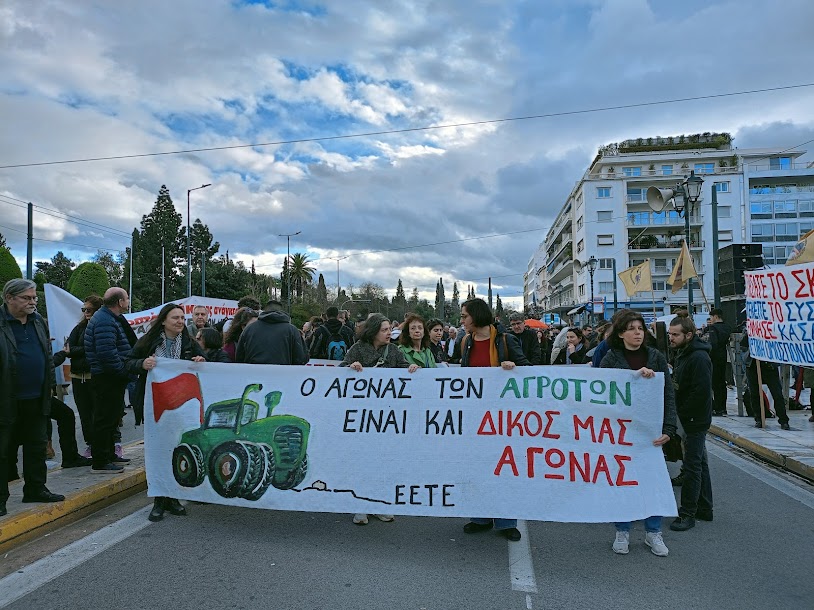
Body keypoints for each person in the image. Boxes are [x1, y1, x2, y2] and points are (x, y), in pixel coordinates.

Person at [600, 310, 676, 557]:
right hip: (620, 435)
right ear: (621, 333)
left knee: (651, 482)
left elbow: (667, 396)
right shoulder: (611, 359)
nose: (637, 333)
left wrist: (669, 429)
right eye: (632, 328)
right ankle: (622, 530)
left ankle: (653, 532)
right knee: (623, 483)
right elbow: (601, 397)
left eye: (641, 328)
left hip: (649, 435)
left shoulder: (656, 357)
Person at [125, 303, 206, 522]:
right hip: (156, 408)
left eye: (181, 317)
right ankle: (159, 500)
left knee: (177, 450)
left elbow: (205, 362)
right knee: (158, 452)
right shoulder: (149, 341)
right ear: (163, 321)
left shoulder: (188, 342)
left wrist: (200, 360)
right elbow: (127, 363)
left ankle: (172, 498)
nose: (180, 321)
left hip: (180, 408)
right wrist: (143, 363)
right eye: (175, 318)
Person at [458, 298, 529, 542]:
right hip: (476, 415)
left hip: (503, 417)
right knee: (478, 466)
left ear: (476, 316)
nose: (462, 321)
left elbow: (528, 370)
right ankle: (481, 517)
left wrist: (513, 368)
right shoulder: (465, 341)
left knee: (505, 468)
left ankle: (507, 521)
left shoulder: (505, 340)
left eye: (464, 316)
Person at [340, 314, 418, 525]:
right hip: (362, 417)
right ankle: (360, 506)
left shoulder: (393, 351)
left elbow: (402, 368)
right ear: (373, 331)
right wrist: (351, 367)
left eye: (389, 330)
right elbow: (340, 371)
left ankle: (379, 504)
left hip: (386, 416)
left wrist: (410, 369)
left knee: (383, 460)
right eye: (384, 330)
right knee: (362, 460)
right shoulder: (357, 348)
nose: (388, 334)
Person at [0, 279, 65, 515]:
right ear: (9, 297)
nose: (33, 302)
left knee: (36, 445)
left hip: (36, 397)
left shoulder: (38, 321)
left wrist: (48, 385)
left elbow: (46, 355)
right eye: (27, 298)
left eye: (34, 298)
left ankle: (35, 488)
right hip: (6, 399)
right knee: (3, 450)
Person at [668, 316, 714, 532]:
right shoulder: (683, 353)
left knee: (692, 466)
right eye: (670, 334)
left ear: (688, 335)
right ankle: (705, 507)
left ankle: (688, 514)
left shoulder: (698, 357)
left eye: (675, 334)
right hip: (689, 417)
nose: (671, 338)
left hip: (694, 419)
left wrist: (683, 412)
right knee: (699, 463)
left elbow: (701, 392)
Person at [84, 287, 137, 474]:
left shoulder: (108, 318)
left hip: (110, 376)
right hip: (108, 378)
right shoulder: (105, 321)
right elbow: (107, 353)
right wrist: (123, 371)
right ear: (120, 302)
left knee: (112, 417)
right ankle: (100, 460)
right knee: (104, 418)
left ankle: (108, 455)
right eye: (127, 299)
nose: (128, 302)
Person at [57, 295, 103, 458]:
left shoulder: (102, 327)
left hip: (96, 376)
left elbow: (97, 348)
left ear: (98, 310)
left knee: (99, 413)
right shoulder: (79, 328)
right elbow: (68, 348)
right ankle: (91, 445)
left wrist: (76, 350)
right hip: (78, 376)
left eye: (88, 309)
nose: (85, 312)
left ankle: (105, 446)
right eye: (83, 309)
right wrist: (79, 350)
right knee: (84, 414)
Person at [236, 300, 309, 365]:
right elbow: (301, 359)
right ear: (283, 312)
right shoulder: (292, 330)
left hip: (254, 377)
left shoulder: (249, 329)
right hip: (282, 377)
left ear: (264, 311)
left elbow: (239, 358)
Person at [704, 308, 732, 416]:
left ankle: (714, 407)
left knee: (712, 383)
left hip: (713, 358)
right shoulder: (727, 327)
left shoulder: (712, 329)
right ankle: (722, 408)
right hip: (722, 356)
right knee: (721, 383)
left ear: (715, 317)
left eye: (711, 317)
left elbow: (712, 344)